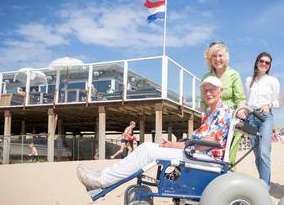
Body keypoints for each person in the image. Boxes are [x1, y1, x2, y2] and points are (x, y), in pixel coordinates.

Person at [76, 76, 232, 192]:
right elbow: (199, 142)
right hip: (196, 153)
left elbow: (206, 143)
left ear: (221, 91)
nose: (208, 92)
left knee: (150, 151)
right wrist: (175, 145)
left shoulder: (224, 111)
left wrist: (174, 145)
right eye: (205, 90)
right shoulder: (209, 113)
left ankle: (103, 180)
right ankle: (104, 175)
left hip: (207, 158)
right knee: (147, 146)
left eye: (212, 89)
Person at [201, 41, 246, 164]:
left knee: (228, 159)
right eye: (214, 56)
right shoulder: (206, 76)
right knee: (207, 155)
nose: (217, 59)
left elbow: (240, 99)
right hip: (212, 122)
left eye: (220, 56)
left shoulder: (234, 74)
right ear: (210, 59)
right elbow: (202, 100)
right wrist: (203, 115)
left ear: (226, 57)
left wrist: (241, 110)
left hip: (229, 120)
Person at [245, 52, 280, 186]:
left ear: (269, 65)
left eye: (267, 62)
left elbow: (278, 101)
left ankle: (265, 186)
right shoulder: (249, 80)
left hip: (265, 117)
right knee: (257, 155)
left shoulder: (273, 81)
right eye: (261, 61)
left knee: (265, 152)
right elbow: (247, 101)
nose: (264, 64)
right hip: (251, 117)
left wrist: (269, 105)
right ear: (257, 62)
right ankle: (262, 181)